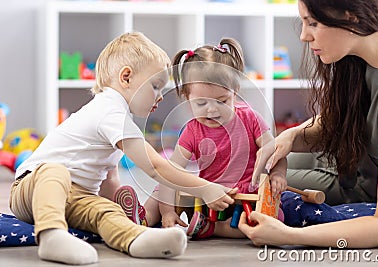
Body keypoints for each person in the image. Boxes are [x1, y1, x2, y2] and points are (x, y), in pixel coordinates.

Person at [9, 32, 237, 265]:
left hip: (75, 197)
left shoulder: (118, 119)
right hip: (32, 188)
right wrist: (204, 189)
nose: (160, 97)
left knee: (106, 212)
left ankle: (136, 239)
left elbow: (109, 178)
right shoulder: (109, 110)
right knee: (54, 171)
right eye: (156, 86)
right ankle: (51, 235)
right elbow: (155, 166)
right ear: (126, 77)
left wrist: (120, 207)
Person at [239, 0, 378, 248]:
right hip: (350, 160)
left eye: (312, 23)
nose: (304, 36)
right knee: (248, 167)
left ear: (351, 17)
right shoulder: (364, 46)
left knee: (246, 184)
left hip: (363, 185)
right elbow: (343, 118)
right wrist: (291, 136)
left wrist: (286, 236)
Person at [115, 38, 287, 239]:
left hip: (247, 197)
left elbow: (276, 151)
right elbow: (170, 174)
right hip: (209, 198)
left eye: (222, 101)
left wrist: (279, 174)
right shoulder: (193, 131)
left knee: (273, 220)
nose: (212, 109)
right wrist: (168, 211)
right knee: (161, 189)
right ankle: (143, 219)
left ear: (235, 92)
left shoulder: (250, 118)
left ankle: (212, 228)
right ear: (186, 99)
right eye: (201, 103)